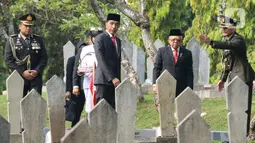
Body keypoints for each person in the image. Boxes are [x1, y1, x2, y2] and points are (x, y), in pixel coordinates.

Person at [199, 15, 255, 137]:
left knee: (243, 107)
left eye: (226, 28)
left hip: (243, 77)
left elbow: (230, 45)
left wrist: (211, 42)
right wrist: (222, 79)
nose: (223, 30)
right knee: (234, 107)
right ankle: (236, 133)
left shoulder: (238, 40)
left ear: (233, 28)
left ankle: (243, 134)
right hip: (233, 77)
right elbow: (227, 62)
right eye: (222, 28)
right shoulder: (226, 40)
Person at [5, 13, 47, 97]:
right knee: (19, 104)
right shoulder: (12, 40)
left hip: (35, 78)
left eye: (30, 26)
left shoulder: (38, 39)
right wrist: (22, 72)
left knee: (35, 103)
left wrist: (37, 71)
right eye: (26, 25)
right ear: (20, 26)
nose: (28, 28)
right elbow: (8, 60)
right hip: (19, 77)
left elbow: (44, 58)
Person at [153, 29, 194, 109]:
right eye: (173, 39)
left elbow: (189, 72)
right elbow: (157, 68)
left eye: (178, 40)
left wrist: (190, 88)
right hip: (166, 85)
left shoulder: (187, 53)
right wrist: (155, 85)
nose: (175, 41)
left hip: (182, 87)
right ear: (169, 40)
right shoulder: (162, 51)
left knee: (183, 110)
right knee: (166, 110)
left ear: (181, 41)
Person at [93, 13, 121, 109]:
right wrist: (112, 77)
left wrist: (117, 78)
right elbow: (101, 60)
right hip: (103, 81)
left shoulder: (118, 40)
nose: (114, 26)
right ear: (106, 24)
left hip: (116, 82)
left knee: (113, 110)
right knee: (101, 110)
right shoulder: (100, 38)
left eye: (117, 24)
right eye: (112, 23)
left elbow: (117, 61)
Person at [72, 27, 103, 114]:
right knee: (90, 105)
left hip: (101, 81)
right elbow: (77, 67)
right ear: (91, 38)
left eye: (98, 37)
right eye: (94, 37)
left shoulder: (105, 48)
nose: (96, 39)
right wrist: (75, 86)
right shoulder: (85, 50)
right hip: (88, 81)